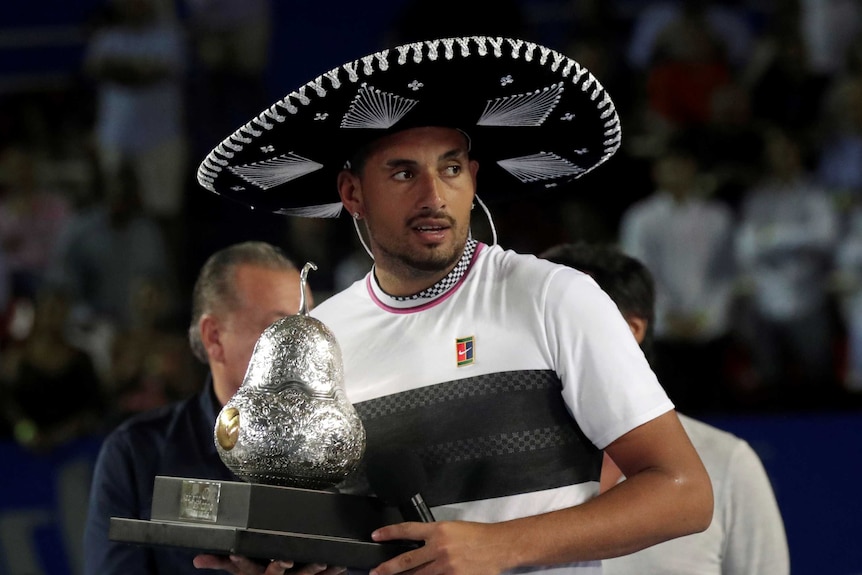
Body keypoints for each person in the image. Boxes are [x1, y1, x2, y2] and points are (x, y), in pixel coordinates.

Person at [197, 36, 712, 574]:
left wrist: (501, 545)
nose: (434, 196)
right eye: (403, 173)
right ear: (352, 194)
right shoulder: (322, 336)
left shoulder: (555, 296)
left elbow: (685, 494)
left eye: (450, 169)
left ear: (474, 179)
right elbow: (345, 534)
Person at [540, 241, 790, 574]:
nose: (540, 340)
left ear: (630, 331)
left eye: (562, 323)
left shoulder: (726, 461)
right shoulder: (491, 452)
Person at [83, 241, 328, 575]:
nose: (307, 342)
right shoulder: (137, 455)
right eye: (281, 327)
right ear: (214, 337)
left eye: (310, 324)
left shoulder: (342, 454)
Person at [618, 138, 736, 414]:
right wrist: (669, 314)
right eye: (668, 166)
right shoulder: (641, 218)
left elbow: (726, 273)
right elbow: (641, 270)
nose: (675, 173)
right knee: (670, 408)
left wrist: (707, 315)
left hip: (709, 326)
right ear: (656, 172)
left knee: (712, 408)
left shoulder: (717, 216)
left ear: (692, 168)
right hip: (663, 330)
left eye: (681, 166)